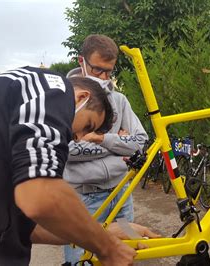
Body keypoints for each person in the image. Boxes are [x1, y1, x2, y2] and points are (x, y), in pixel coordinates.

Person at [0, 67, 157, 265]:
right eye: (88, 125)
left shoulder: (4, 132)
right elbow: (40, 197)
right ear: (81, 97)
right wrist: (107, 248)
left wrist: (101, 233)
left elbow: (28, 228)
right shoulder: (53, 89)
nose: (78, 138)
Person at [63, 34, 149, 264]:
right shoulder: (65, 102)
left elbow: (140, 141)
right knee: (82, 261)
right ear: (82, 61)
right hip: (84, 202)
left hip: (121, 197)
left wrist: (101, 139)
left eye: (108, 72)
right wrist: (119, 145)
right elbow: (64, 150)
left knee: (127, 256)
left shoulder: (119, 100)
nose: (103, 77)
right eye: (97, 70)